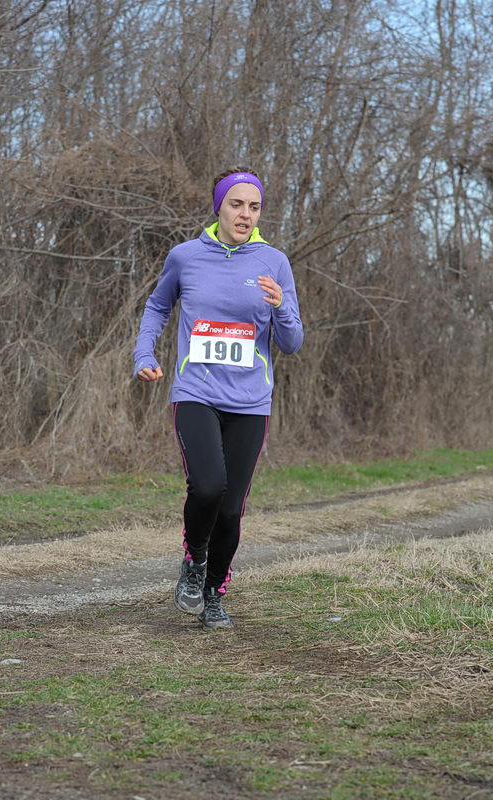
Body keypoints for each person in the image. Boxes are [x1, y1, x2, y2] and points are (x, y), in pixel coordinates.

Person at [133, 168, 304, 630]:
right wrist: (144, 352)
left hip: (250, 401)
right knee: (208, 486)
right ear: (219, 207)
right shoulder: (186, 257)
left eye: (254, 207)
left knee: (231, 507)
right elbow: (158, 306)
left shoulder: (274, 263)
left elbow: (291, 343)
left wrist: (280, 306)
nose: (245, 214)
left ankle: (213, 592)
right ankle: (194, 559)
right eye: (237, 204)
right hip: (197, 391)